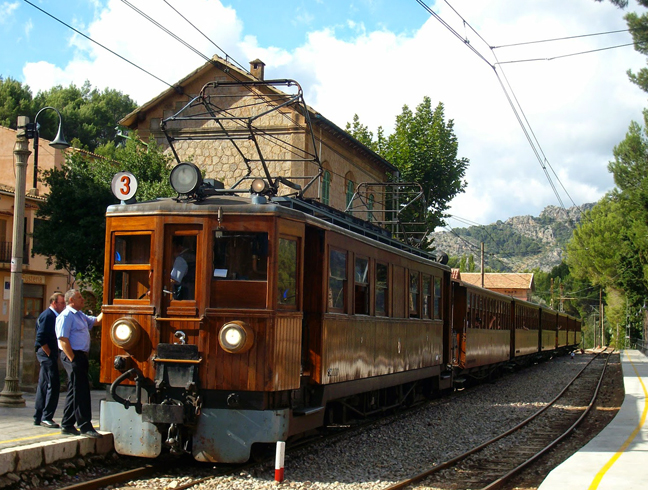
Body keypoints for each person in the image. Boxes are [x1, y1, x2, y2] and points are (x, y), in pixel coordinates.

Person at [55, 289, 103, 438]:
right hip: (72, 355)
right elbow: (63, 339)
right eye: (79, 297)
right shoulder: (66, 316)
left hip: (81, 356)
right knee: (81, 389)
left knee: (74, 389)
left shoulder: (80, 315)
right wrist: (72, 359)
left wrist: (106, 308)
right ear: (71, 301)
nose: (83, 299)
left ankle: (67, 424)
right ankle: (84, 425)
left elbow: (96, 321)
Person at [33, 292, 66, 428]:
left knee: (43, 384)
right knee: (53, 384)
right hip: (46, 354)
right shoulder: (48, 316)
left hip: (47, 354)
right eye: (62, 303)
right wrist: (50, 353)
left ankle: (38, 416)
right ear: (54, 303)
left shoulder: (53, 316)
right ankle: (47, 417)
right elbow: (40, 338)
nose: (64, 305)